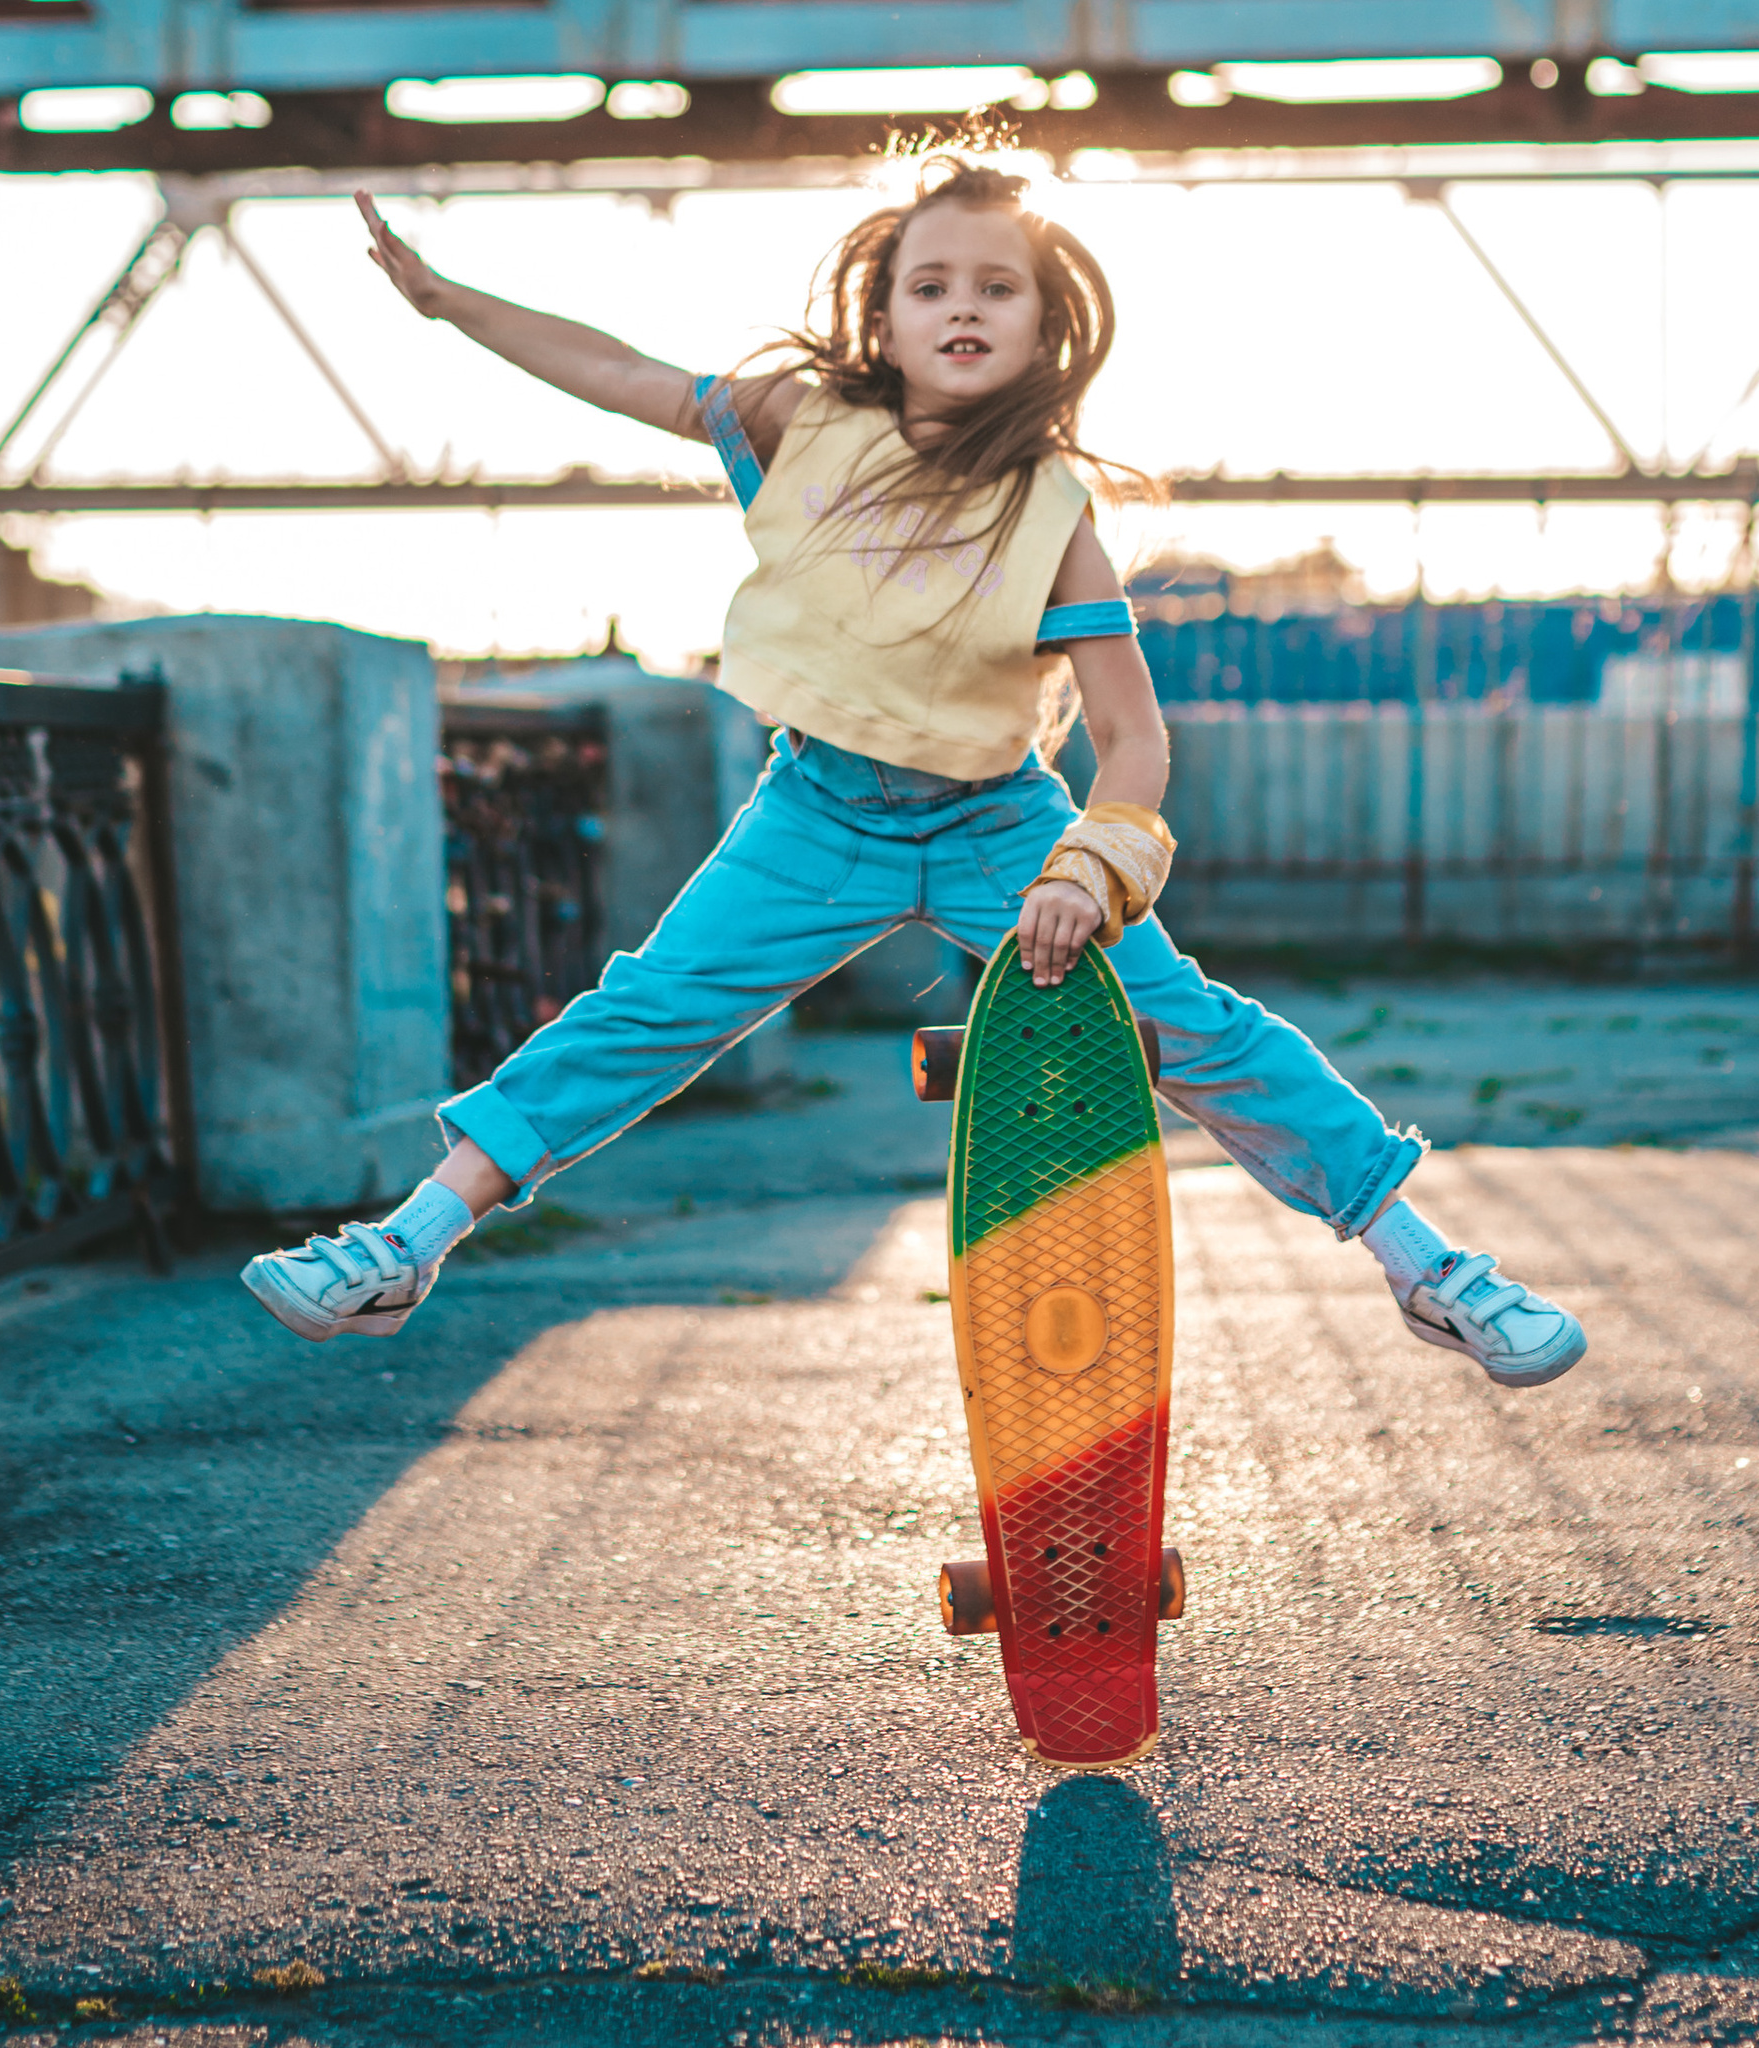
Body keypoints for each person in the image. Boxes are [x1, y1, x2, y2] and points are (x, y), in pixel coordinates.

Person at [242, 157, 1586, 1389]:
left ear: (1044, 326)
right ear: (880, 315)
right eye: (929, 283)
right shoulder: (802, 420)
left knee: (1201, 1036)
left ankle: (1427, 1266)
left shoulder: (1055, 509)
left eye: (997, 287)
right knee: (645, 1012)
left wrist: (1086, 868)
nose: (962, 306)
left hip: (1004, 825)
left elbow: (1135, 740)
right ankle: (407, 1242)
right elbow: (622, 370)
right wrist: (440, 300)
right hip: (818, 812)